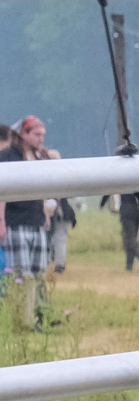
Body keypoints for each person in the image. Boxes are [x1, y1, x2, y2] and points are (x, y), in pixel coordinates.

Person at [2, 115, 51, 317]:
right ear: (24, 134)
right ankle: (22, 317)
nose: (41, 139)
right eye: (37, 134)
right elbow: (2, 190)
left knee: (38, 271)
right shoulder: (7, 156)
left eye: (43, 135)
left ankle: (37, 315)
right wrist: (1, 221)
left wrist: (45, 214)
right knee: (20, 273)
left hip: (35, 220)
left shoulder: (40, 157)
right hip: (15, 222)